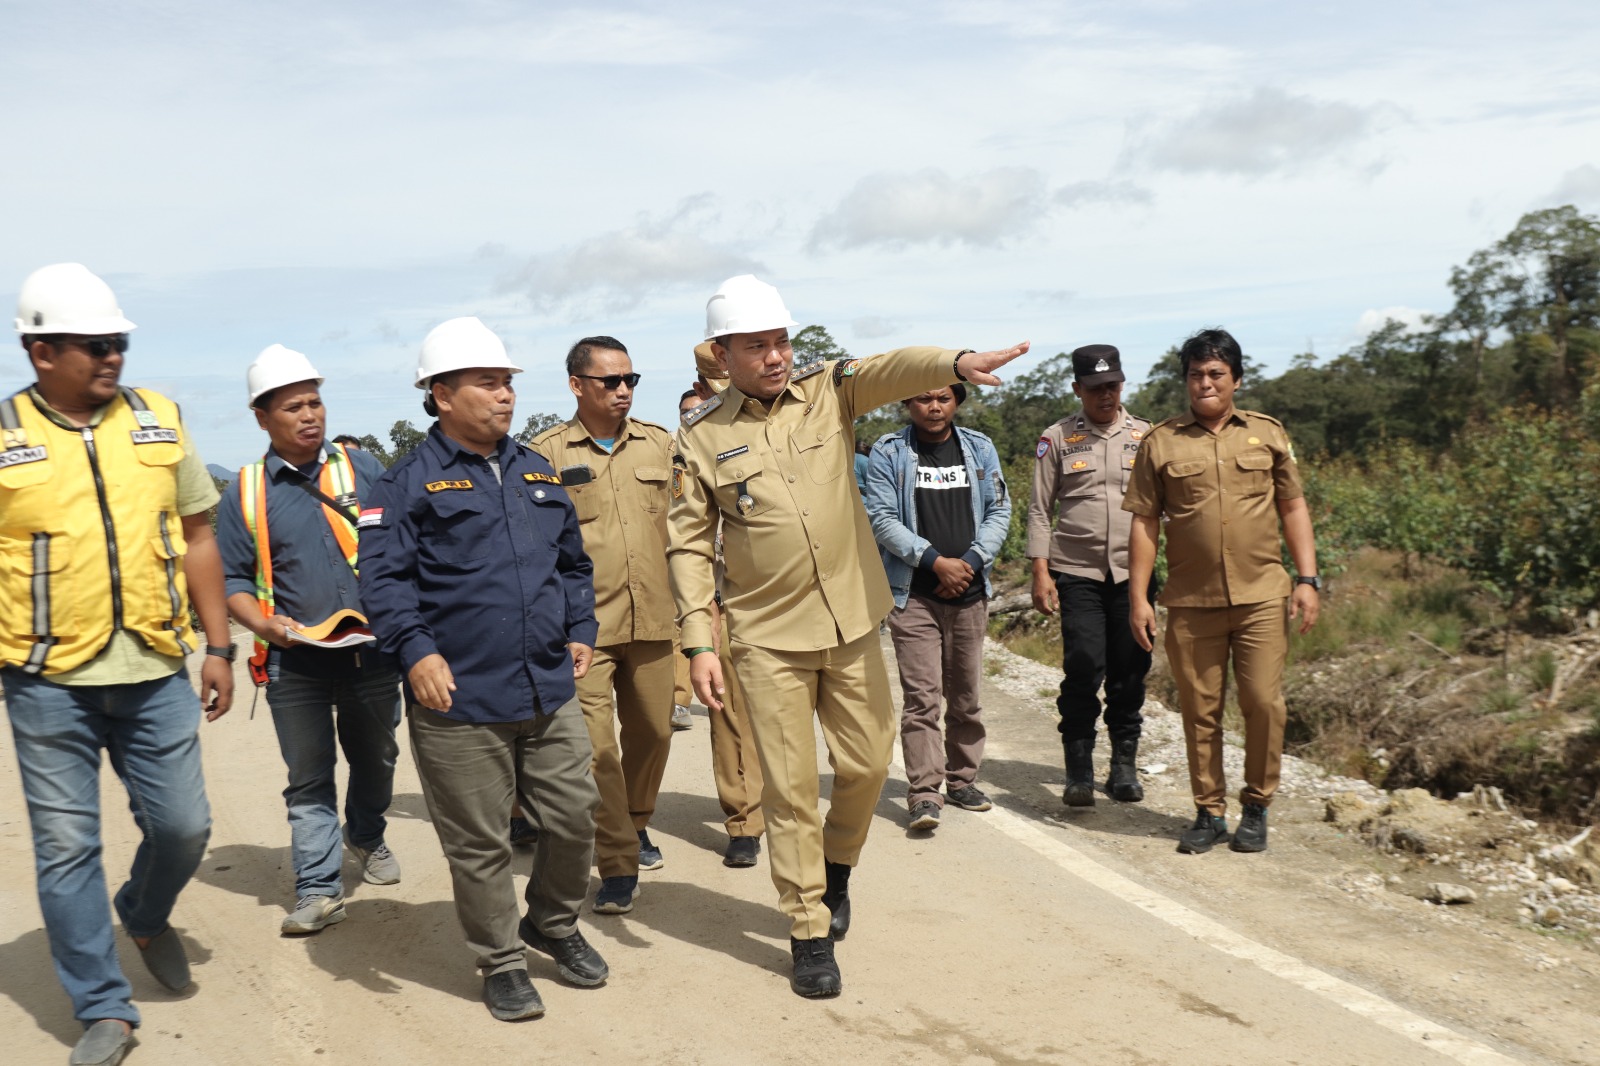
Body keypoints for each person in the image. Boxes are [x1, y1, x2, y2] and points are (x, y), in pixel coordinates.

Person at [669, 273, 1028, 997]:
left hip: (852, 620)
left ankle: (836, 870)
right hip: (767, 636)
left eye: (781, 340)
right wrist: (700, 641)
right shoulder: (702, 437)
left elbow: (894, 368)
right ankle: (807, 929)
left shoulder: (827, 391)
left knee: (865, 767)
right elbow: (686, 541)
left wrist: (956, 363)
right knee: (791, 788)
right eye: (756, 345)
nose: (775, 356)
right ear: (722, 354)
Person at [1, 263, 234, 1066]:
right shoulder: (4, 434)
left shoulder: (160, 420)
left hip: (155, 667)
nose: (113, 357)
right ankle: (104, 1006)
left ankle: (142, 909)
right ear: (41, 351)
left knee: (183, 827)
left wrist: (220, 647)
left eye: (119, 342)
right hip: (45, 681)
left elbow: (199, 535)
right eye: (95, 344)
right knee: (67, 848)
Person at [359, 316, 605, 1022]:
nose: (505, 395)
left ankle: (551, 923)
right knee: (481, 843)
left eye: (507, 382)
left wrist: (580, 628)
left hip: (547, 685)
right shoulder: (405, 483)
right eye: (488, 382)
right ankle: (501, 960)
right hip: (459, 698)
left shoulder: (535, 468)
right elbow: (383, 581)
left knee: (575, 817)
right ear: (441, 394)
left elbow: (572, 563)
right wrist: (416, 651)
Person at [216, 344, 403, 935]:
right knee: (309, 775)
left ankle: (366, 834)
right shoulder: (245, 491)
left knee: (377, 759)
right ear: (262, 417)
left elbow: (398, 540)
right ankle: (319, 888)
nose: (308, 416)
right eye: (292, 407)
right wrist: (260, 624)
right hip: (295, 662)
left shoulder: (360, 468)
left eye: (314, 403)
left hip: (371, 652)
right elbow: (231, 579)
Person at [1123, 328, 1321, 855]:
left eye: (1216, 374)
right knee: (1199, 711)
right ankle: (1209, 811)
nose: (1205, 383)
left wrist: (1307, 579)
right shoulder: (1160, 442)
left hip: (1262, 596)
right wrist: (1139, 598)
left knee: (1264, 704)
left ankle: (1256, 806)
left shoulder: (1268, 434)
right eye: (1196, 374)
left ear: (1236, 379)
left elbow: (1293, 507)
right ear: (1185, 380)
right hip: (1192, 601)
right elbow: (1144, 522)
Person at [530, 336, 677, 914]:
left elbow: (686, 529)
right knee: (597, 751)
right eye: (610, 381)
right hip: (583, 631)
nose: (623, 390)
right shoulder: (544, 454)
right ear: (577, 385)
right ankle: (617, 861)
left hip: (655, 618)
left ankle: (633, 822)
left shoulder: (660, 444)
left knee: (655, 734)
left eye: (630, 380)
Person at [864, 384, 1010, 831]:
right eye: (924, 398)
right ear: (907, 403)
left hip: (969, 592)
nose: (934, 407)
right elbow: (882, 518)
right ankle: (925, 793)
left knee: (966, 696)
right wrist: (935, 562)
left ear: (957, 402)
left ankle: (962, 780)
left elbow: (999, 511)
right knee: (922, 699)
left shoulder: (979, 449)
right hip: (914, 595)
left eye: (943, 398)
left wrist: (970, 562)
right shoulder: (889, 452)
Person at [1027, 345, 1154, 807]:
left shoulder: (1147, 436)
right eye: (1096, 387)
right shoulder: (1058, 437)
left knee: (1130, 670)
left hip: (1134, 575)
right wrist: (1040, 572)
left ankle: (1123, 767)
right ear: (1078, 389)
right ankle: (1079, 770)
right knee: (1083, 665)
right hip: (1077, 571)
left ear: (1122, 385)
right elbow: (1039, 510)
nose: (1106, 395)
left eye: (1113, 386)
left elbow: (1164, 510)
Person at [674, 368, 765, 867]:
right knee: (729, 714)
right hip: (720, 602)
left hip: (778, 600)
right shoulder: (684, 454)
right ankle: (745, 821)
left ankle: (788, 807)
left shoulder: (770, 433)